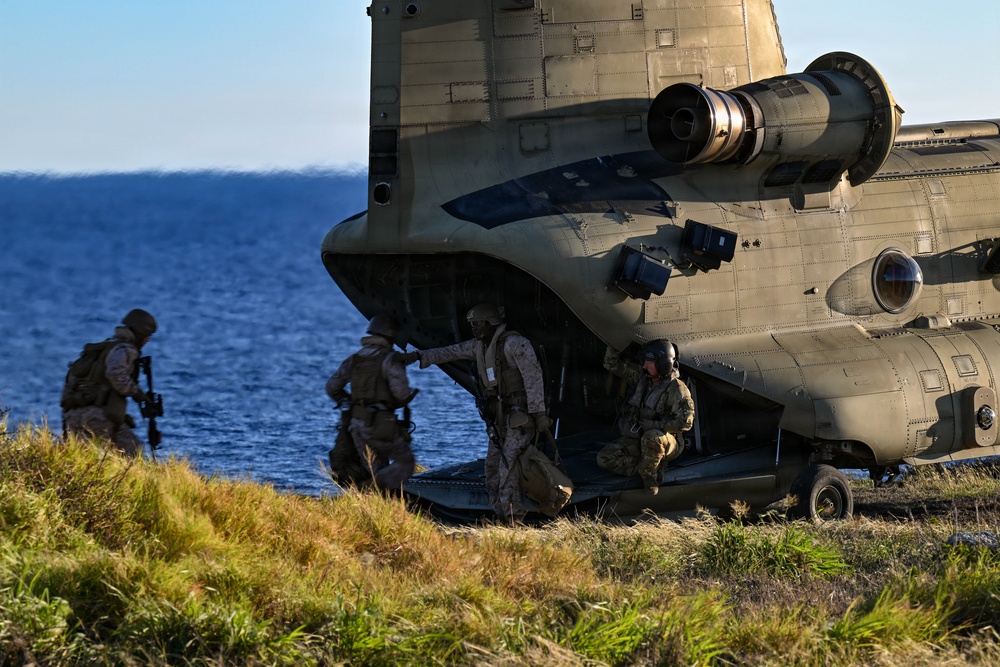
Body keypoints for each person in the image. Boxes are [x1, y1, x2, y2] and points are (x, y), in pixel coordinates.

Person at [400, 303, 550, 520]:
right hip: (499, 418)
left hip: (520, 416)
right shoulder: (477, 347)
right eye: (472, 324)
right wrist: (418, 356)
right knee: (492, 467)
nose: (474, 328)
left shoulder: (515, 344)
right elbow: (448, 353)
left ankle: (513, 516)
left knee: (508, 466)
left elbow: (533, 377)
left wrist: (539, 413)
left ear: (491, 323)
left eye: (478, 324)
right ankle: (499, 513)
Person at [326, 314, 416, 490]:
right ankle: (368, 490)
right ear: (392, 336)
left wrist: (350, 402)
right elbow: (401, 394)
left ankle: (374, 501)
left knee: (373, 466)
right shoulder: (390, 358)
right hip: (380, 424)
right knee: (405, 463)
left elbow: (332, 387)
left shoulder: (355, 358)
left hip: (356, 423)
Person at [597, 340, 695, 495]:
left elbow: (685, 423)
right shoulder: (641, 378)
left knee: (653, 437)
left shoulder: (677, 389)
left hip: (667, 441)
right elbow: (611, 364)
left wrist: (655, 425)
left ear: (662, 364)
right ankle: (650, 466)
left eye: (649, 363)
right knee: (604, 459)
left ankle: (649, 476)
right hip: (639, 437)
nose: (644, 366)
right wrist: (614, 339)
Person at [60, 308, 158, 458]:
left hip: (74, 416)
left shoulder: (100, 349)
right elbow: (115, 373)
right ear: (139, 334)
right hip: (98, 417)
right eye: (147, 336)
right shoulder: (125, 350)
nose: (147, 341)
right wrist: (136, 393)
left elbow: (70, 381)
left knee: (85, 458)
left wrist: (67, 416)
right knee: (130, 453)